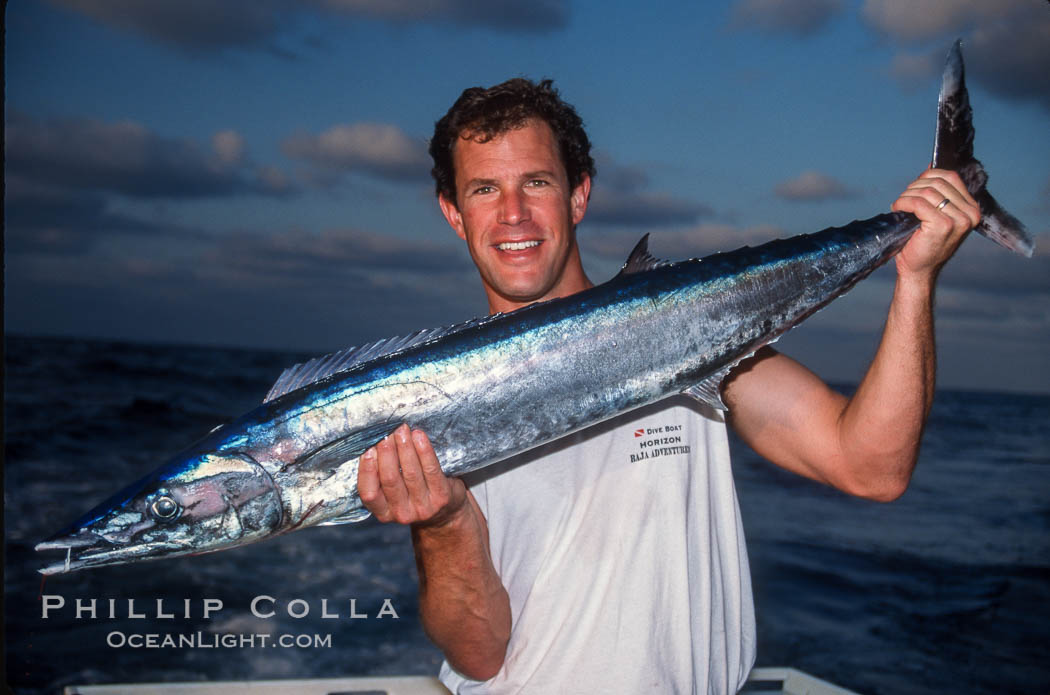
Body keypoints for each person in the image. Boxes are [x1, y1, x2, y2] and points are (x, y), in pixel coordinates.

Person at [355, 78, 980, 692]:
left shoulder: (688, 336)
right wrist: (444, 522)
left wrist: (915, 280)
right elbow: (481, 655)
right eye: (485, 188)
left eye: (537, 182)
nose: (513, 213)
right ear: (453, 212)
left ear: (578, 196)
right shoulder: (427, 404)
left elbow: (872, 468)